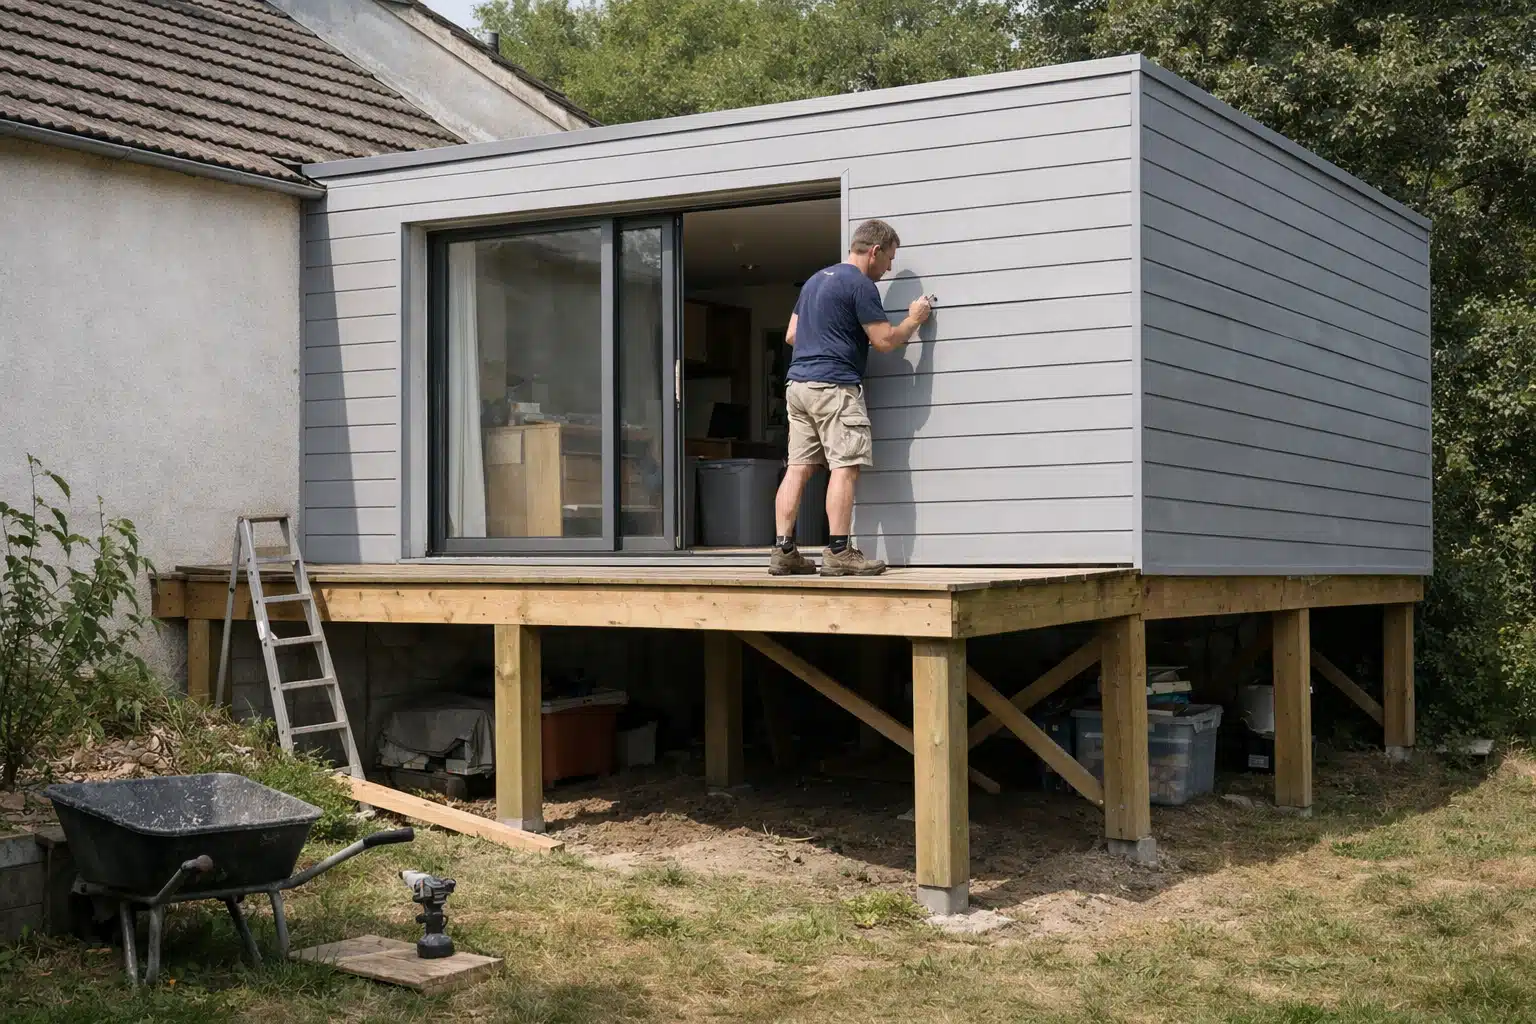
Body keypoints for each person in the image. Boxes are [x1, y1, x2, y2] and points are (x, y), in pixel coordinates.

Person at [769, 219, 932, 576]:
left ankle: (783, 551)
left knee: (798, 467)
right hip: (834, 387)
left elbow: (793, 335)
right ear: (874, 251)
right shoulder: (860, 286)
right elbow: (886, 341)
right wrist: (914, 319)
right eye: (888, 258)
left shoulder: (814, 281)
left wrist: (827, 335)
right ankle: (839, 552)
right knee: (845, 467)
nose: (888, 267)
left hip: (797, 387)